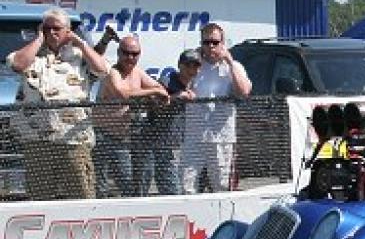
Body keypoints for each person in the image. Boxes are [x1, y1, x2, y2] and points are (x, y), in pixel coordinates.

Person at [3, 8, 111, 200]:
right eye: (47, 28)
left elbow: (102, 70)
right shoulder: (32, 55)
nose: (51, 32)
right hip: (37, 142)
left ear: (68, 30)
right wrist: (39, 39)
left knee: (80, 195)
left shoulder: (80, 57)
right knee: (40, 198)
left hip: (73, 140)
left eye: (57, 28)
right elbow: (17, 65)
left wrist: (79, 42)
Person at [92, 34, 169, 197]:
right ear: (119, 53)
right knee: (100, 186)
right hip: (103, 136)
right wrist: (153, 92)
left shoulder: (137, 72)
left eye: (134, 54)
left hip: (123, 138)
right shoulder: (112, 72)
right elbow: (122, 93)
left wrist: (155, 94)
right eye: (126, 53)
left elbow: (160, 89)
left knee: (129, 182)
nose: (130, 57)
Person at [181, 23, 251, 193]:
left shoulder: (233, 66)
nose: (210, 46)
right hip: (195, 136)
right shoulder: (194, 66)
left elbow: (244, 92)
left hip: (221, 137)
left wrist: (229, 62)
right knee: (186, 184)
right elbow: (180, 86)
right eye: (206, 42)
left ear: (222, 43)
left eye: (215, 42)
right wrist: (191, 64)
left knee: (222, 184)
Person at [135, 49, 198, 196]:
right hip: (150, 141)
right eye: (188, 65)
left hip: (170, 144)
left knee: (171, 189)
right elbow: (152, 105)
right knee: (142, 185)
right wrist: (176, 97)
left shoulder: (195, 84)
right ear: (180, 65)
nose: (191, 69)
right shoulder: (167, 81)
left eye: (195, 65)